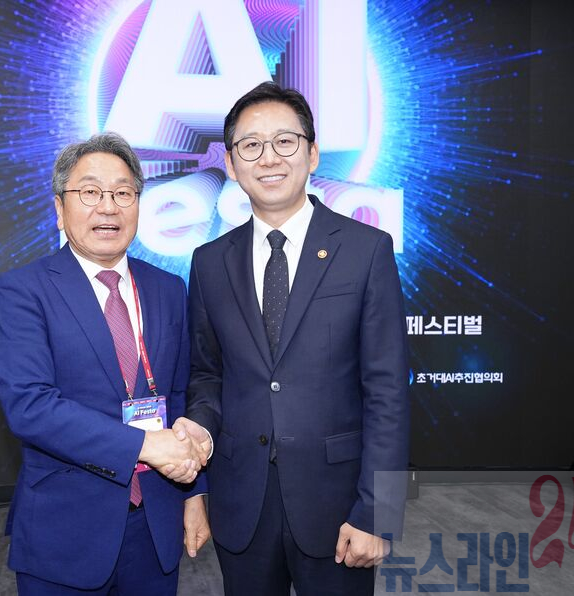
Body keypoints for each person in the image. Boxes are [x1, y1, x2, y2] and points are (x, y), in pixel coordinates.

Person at [182, 82, 411, 595]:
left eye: (285, 141)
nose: (269, 158)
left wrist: (380, 511)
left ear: (312, 153)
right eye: (251, 145)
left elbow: (388, 393)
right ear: (231, 163)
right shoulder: (210, 262)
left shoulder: (366, 250)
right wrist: (197, 439)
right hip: (241, 504)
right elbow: (206, 375)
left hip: (340, 507)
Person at [0, 132, 210, 595]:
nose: (108, 207)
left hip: (156, 521)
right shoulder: (24, 290)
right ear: (59, 208)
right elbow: (30, 407)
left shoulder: (168, 289)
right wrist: (144, 446)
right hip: (66, 529)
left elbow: (178, 396)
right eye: (90, 192)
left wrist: (193, 495)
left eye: (123, 193)